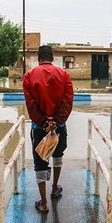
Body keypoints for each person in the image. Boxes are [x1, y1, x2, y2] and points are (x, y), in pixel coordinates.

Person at [23, 45, 74, 213]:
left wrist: (44, 123)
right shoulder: (64, 75)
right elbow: (67, 101)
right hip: (59, 126)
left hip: (39, 127)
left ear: (38, 58)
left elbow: (31, 105)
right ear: (53, 58)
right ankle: (54, 189)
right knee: (58, 155)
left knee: (40, 162)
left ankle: (44, 203)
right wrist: (56, 122)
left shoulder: (29, 76)